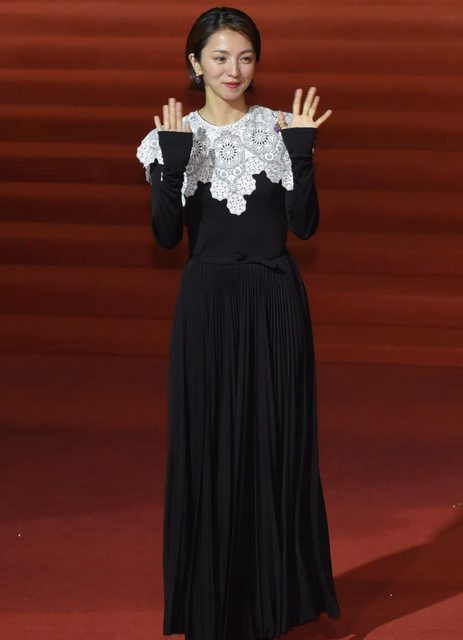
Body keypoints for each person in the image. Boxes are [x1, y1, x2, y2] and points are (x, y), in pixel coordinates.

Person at [136, 6, 340, 640]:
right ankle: (212, 602)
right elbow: (165, 237)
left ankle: (277, 599)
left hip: (275, 303)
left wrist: (301, 153)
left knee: (277, 445)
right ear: (195, 63)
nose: (234, 70)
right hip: (208, 305)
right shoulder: (170, 136)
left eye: (246, 57)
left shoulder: (280, 128)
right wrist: (173, 163)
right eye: (221, 57)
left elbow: (304, 225)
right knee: (208, 443)